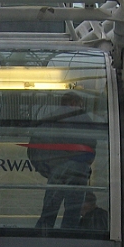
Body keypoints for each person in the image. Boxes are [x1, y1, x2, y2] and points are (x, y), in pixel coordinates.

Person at [25, 92, 96, 229]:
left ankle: (42, 235)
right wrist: (84, 164)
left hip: (56, 170)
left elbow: (33, 149)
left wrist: (48, 170)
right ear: (74, 103)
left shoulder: (49, 119)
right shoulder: (83, 118)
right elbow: (91, 145)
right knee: (73, 211)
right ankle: (69, 237)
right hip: (78, 170)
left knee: (49, 210)